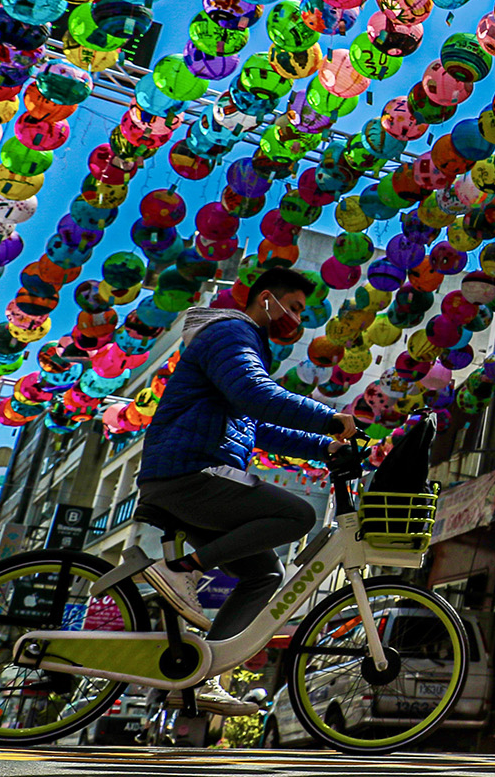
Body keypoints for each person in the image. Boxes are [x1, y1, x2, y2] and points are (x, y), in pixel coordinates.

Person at [136, 267, 355, 717]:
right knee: (298, 516)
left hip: (198, 475)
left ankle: (200, 677)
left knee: (265, 576)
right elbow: (256, 395)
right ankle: (184, 570)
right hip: (191, 472)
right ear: (265, 300)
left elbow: (259, 428)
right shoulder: (232, 333)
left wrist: (325, 446)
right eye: (293, 308)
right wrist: (329, 417)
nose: (296, 319)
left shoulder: (244, 344)